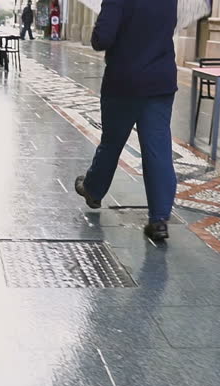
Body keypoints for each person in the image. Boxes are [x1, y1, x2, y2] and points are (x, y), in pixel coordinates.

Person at [74, 0, 178, 241]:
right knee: (158, 148)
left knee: (112, 142)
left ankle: (93, 189)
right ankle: (159, 219)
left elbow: (102, 39)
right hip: (160, 81)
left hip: (124, 82)